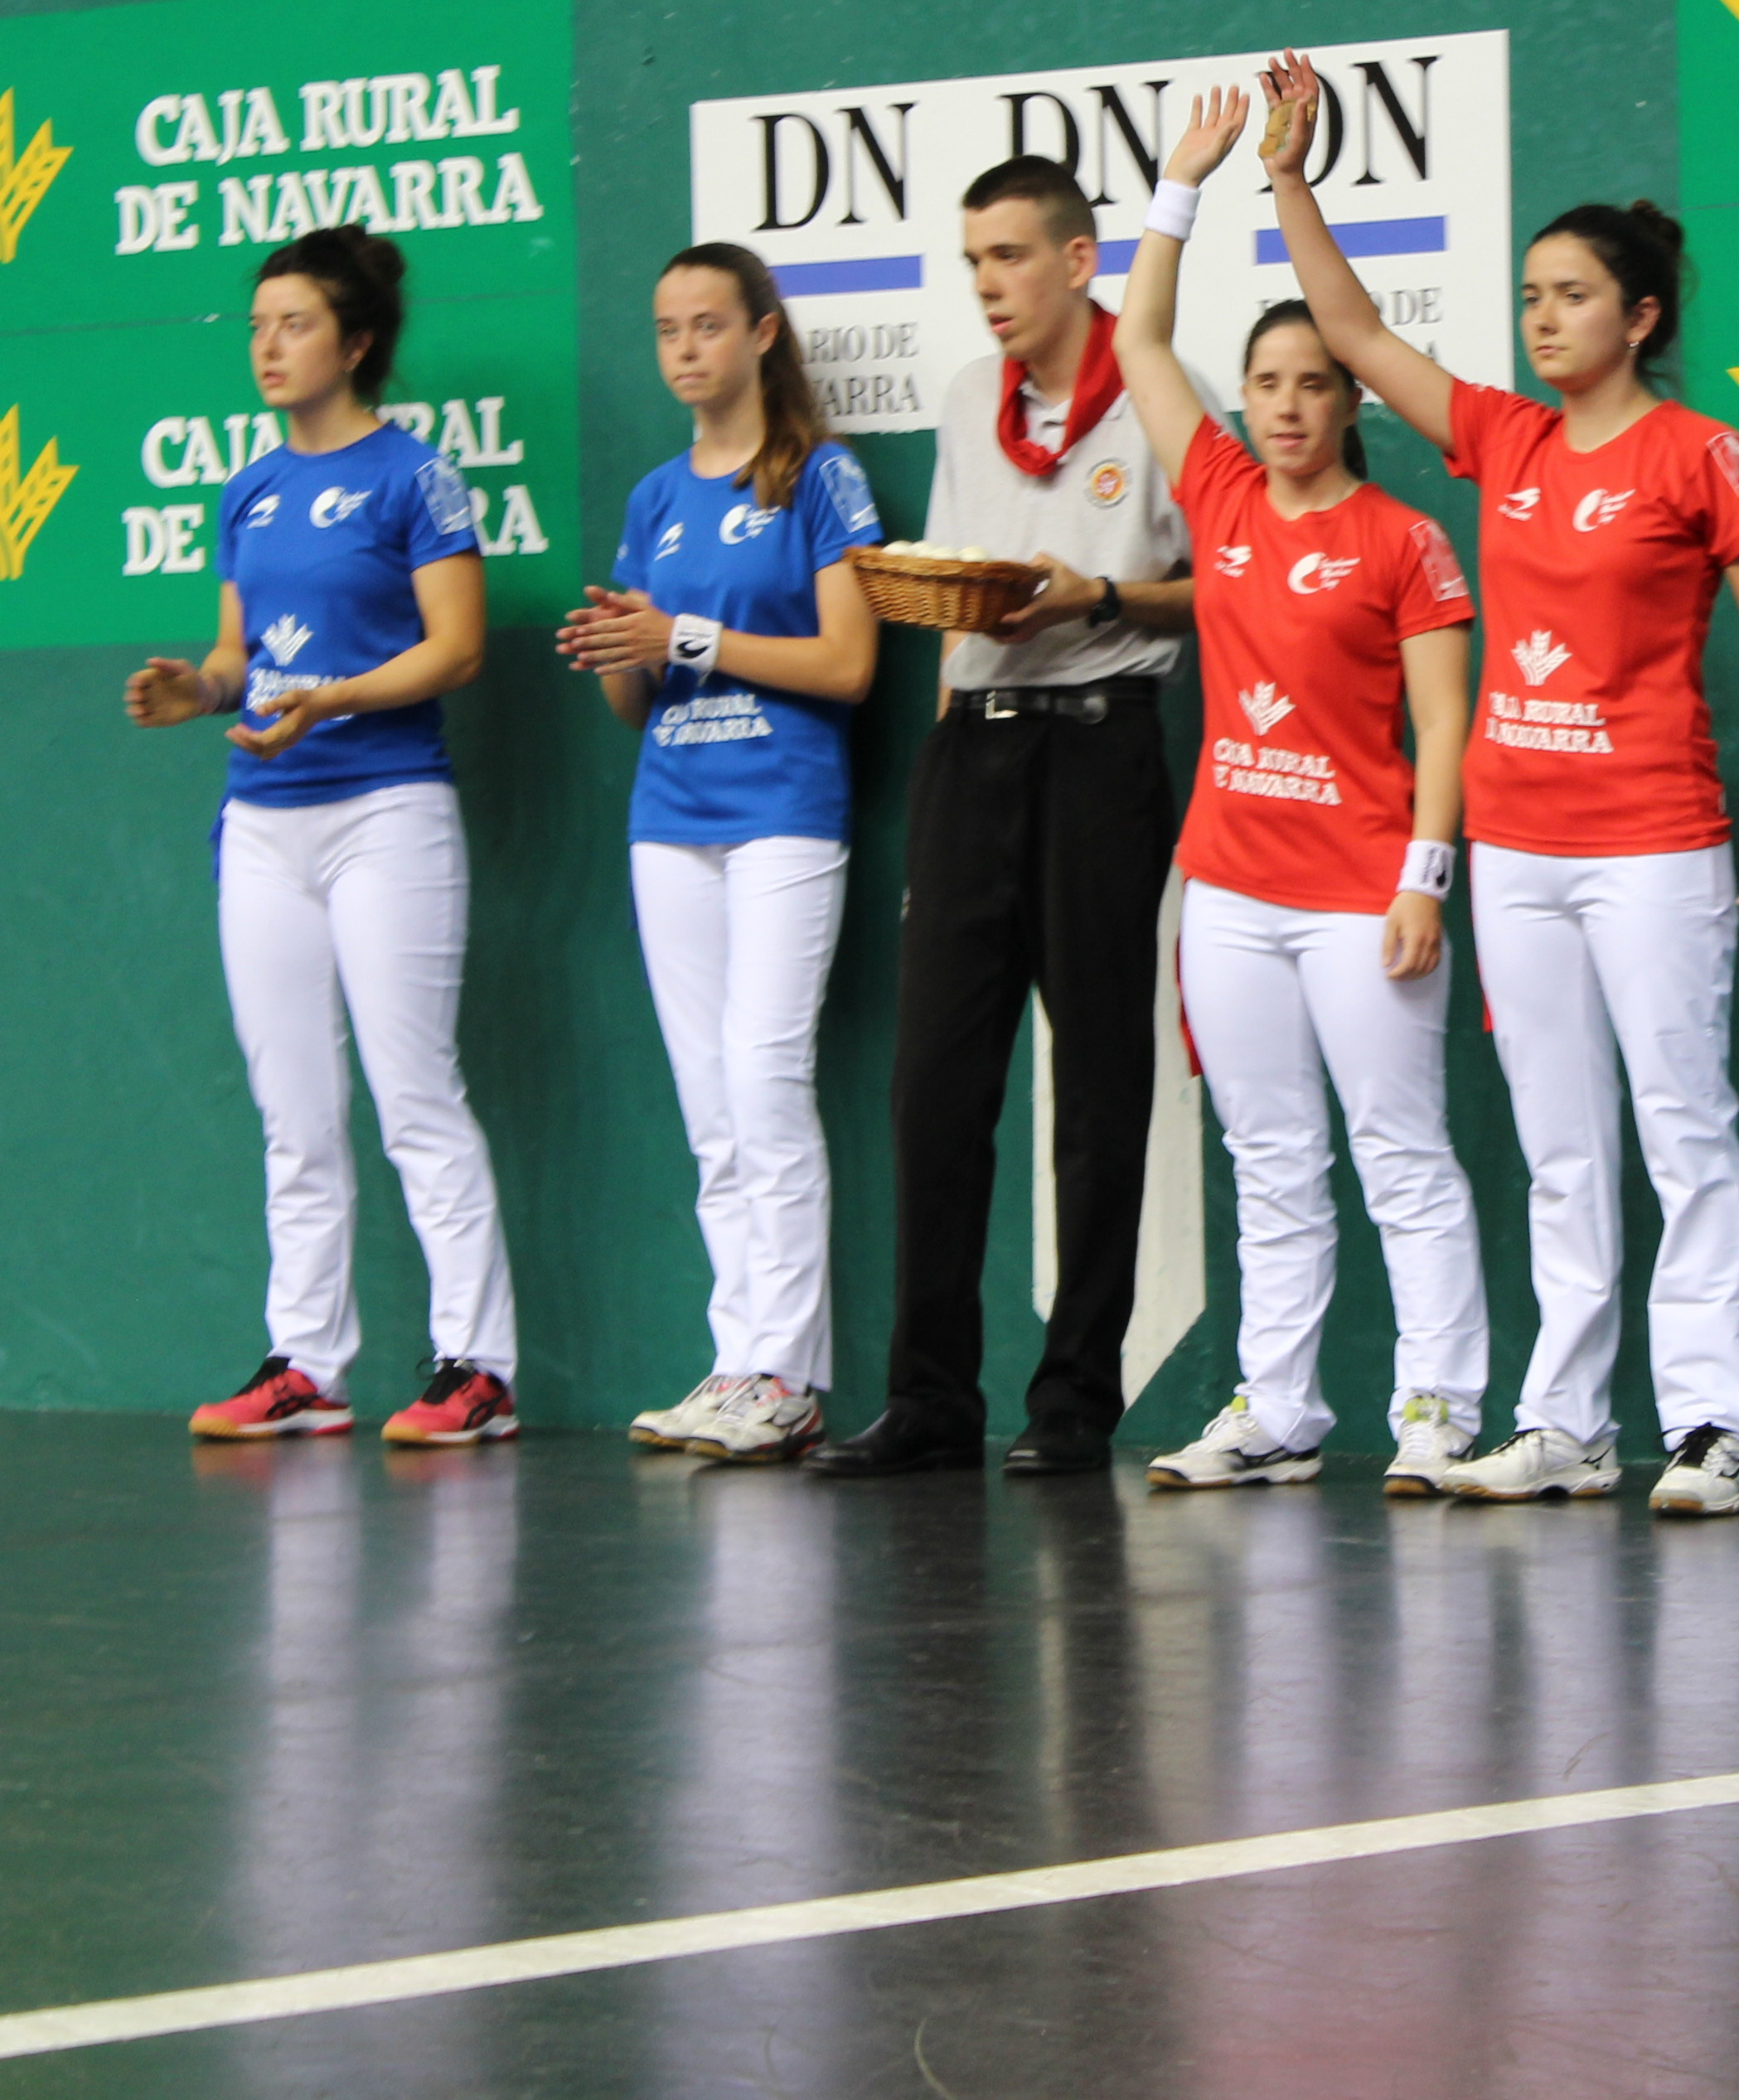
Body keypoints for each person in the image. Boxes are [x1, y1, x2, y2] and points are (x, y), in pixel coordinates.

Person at [1263, 54, 1739, 1513]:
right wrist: (1284, 174)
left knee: (1682, 1126)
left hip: (1654, 843)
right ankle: (1566, 1422)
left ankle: (1709, 1423)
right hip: (1515, 849)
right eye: (1529, 296)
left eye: (1571, 295)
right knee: (1558, 1142)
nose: (1543, 317)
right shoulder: (1501, 440)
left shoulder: (1698, 453)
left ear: (1640, 315)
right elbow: (1349, 327)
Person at [1107, 87, 1494, 1497]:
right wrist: (1180, 185)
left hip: (1361, 895)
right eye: (1266, 382)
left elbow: (1448, 721)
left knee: (1401, 1151)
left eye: (1312, 383)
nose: (1283, 405)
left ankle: (1439, 1406)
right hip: (1228, 892)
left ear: (1347, 400)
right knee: (1268, 1158)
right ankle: (1279, 1408)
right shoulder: (1211, 492)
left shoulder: (1405, 540)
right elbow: (1139, 340)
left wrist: (1424, 880)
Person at [807, 157, 1203, 1480]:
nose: (987, 284)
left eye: (1010, 256)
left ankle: (1075, 1404)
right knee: (935, 1087)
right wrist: (935, 775)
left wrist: (1094, 595)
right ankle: (927, 1399)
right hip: (971, 760)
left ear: (1082, 261)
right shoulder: (968, 396)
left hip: (1102, 748)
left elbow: (1221, 587)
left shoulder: (1161, 395)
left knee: (1097, 1087)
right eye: (972, 260)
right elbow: (944, 595)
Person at [129, 223, 521, 1449]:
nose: (267, 345)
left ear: (355, 343)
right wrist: (195, 693)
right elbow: (239, 659)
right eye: (255, 326)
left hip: (388, 815)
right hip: (263, 829)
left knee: (416, 1098)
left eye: (293, 324)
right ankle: (307, 1365)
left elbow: (457, 647)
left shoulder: (418, 479)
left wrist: (331, 701)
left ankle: (479, 1370)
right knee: (293, 1111)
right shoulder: (246, 489)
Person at [558, 244, 888, 1465]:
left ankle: (787, 1376)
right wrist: (616, 650)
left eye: (707, 325)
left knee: (763, 1079)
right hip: (670, 821)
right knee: (712, 1113)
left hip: (787, 813)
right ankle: (733, 1358)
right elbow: (640, 702)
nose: (684, 348)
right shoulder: (655, 497)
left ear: (760, 334)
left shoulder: (820, 478)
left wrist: (685, 631)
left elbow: (850, 667)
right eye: (665, 330)